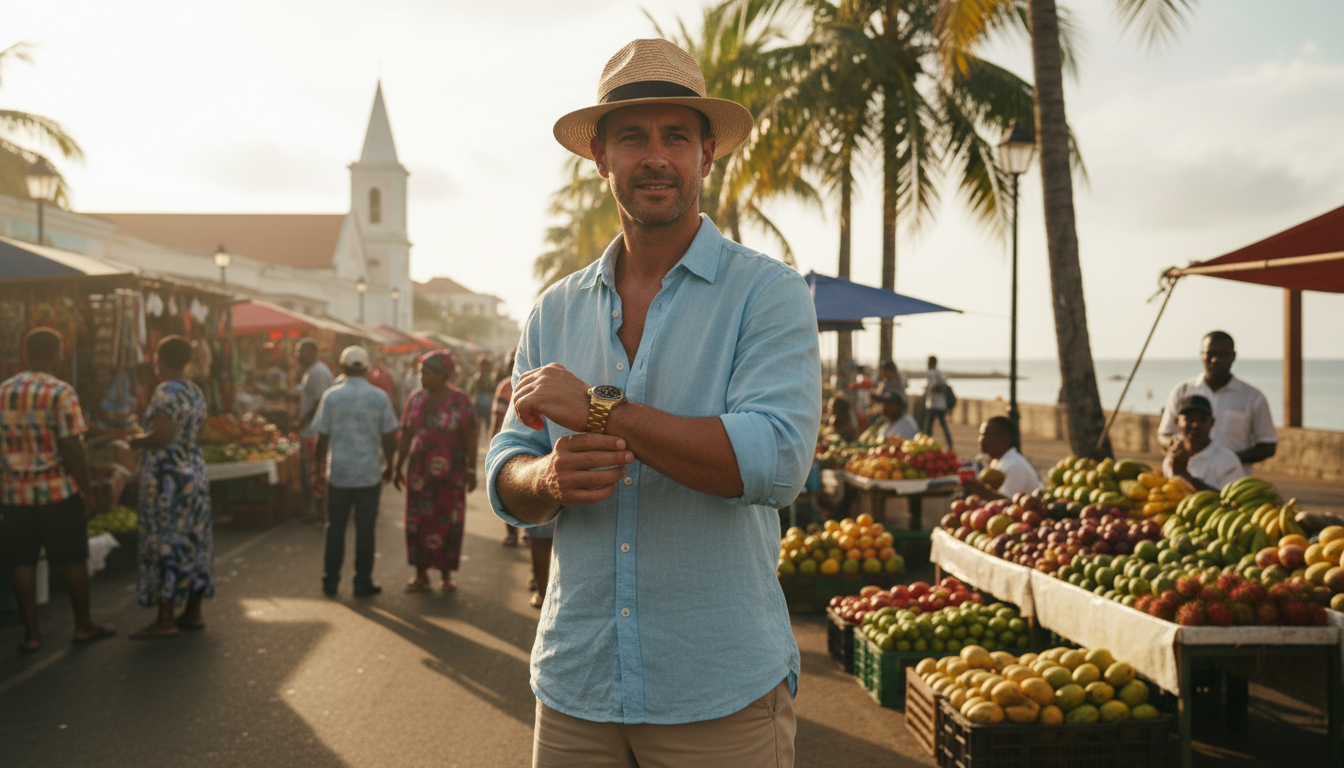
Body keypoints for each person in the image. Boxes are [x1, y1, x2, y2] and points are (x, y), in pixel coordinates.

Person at [487, 39, 820, 767]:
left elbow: (773, 464)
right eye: (633, 137)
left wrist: (599, 411)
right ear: (600, 157)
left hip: (718, 689)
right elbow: (507, 469)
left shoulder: (767, 293)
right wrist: (546, 478)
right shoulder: (554, 309)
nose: (656, 157)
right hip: (576, 684)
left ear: (707, 154)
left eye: (676, 136)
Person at [0, 328, 116, 652]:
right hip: (56, 491)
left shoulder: (3, 392)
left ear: (26, 353)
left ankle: (31, 634)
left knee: (21, 562)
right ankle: (83, 625)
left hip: (14, 494)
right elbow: (72, 446)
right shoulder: (60, 392)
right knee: (72, 558)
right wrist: (87, 491)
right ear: (56, 354)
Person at [127, 336, 214, 639]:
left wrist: (135, 441)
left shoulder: (166, 392)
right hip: (194, 472)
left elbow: (163, 434)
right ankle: (193, 611)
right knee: (194, 539)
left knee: (167, 541)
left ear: (160, 360)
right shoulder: (195, 390)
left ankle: (165, 619)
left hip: (169, 478)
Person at [314, 346, 399, 597]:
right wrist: (390, 465)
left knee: (335, 528)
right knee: (365, 530)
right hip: (368, 474)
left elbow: (322, 438)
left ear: (342, 367)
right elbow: (389, 436)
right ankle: (362, 581)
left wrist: (318, 470)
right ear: (366, 369)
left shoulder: (331, 397)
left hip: (339, 474)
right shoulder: (379, 397)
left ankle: (331, 580)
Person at [393, 350, 478, 592]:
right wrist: (397, 466)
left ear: (442, 375)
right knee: (417, 521)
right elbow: (406, 434)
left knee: (449, 520)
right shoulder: (415, 399)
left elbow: (471, 436)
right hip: (419, 473)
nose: (422, 377)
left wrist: (472, 469)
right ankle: (420, 575)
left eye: (428, 373)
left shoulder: (460, 401)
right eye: (422, 372)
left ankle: (446, 575)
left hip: (451, 473)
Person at [1158, 331, 1277, 475]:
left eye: (1223, 354)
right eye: (1210, 354)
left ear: (1233, 356)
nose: (1215, 359)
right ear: (1201, 355)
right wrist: (1174, 446)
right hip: (1183, 481)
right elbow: (1164, 435)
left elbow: (1268, 445)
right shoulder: (1182, 391)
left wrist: (1226, 460)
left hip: (1232, 482)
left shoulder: (1253, 397)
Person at [1162, 395, 1246, 492]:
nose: (1196, 424)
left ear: (1212, 422)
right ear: (1176, 421)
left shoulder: (1228, 461)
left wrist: (1184, 475)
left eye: (1202, 419)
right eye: (1189, 419)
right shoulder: (1173, 456)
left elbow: (1232, 499)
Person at [294, 339, 334, 522]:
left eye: (299, 352)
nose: (297, 356)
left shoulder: (317, 371)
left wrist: (302, 422)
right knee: (313, 472)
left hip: (313, 432)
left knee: (315, 472)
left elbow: (320, 401)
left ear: (310, 352)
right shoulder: (313, 370)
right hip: (311, 431)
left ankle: (319, 512)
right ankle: (315, 510)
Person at [961, 416, 1041, 500]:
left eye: (986, 435)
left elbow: (1006, 502)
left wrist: (980, 490)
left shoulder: (1013, 465)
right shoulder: (997, 461)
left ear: (1004, 438)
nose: (980, 439)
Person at [491, 348, 522, 547]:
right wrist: (493, 444)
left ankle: (527, 531)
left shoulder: (538, 383)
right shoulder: (504, 387)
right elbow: (497, 417)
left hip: (529, 444)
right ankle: (512, 532)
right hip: (507, 443)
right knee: (506, 491)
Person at [922, 356, 953, 448]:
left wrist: (930, 389)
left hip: (933, 405)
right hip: (941, 405)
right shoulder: (941, 374)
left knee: (928, 428)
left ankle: (926, 445)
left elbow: (934, 387)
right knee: (944, 426)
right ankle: (950, 445)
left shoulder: (931, 373)